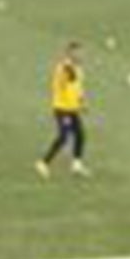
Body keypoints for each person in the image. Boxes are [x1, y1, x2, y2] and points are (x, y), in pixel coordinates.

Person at [37, 41, 89, 178]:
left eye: (81, 52)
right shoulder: (64, 68)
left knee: (80, 135)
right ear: (70, 53)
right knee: (64, 136)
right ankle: (43, 163)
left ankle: (76, 165)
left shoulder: (77, 68)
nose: (81, 55)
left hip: (73, 108)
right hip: (62, 108)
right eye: (77, 52)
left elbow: (78, 87)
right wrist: (67, 71)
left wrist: (82, 103)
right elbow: (60, 84)